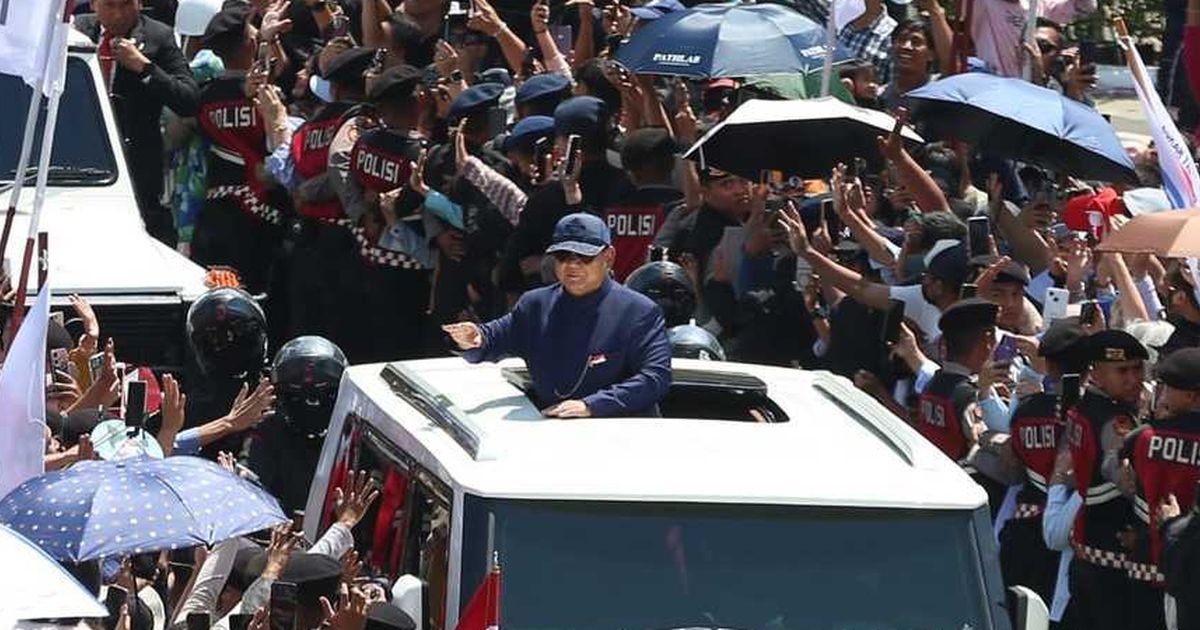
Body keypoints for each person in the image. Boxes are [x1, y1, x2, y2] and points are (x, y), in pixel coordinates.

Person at [443, 213, 671, 418]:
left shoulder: (639, 311)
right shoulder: (535, 304)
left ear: (608, 257)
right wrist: (474, 339)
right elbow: (493, 338)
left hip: (623, 432)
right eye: (563, 256)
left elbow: (655, 378)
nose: (572, 265)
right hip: (552, 430)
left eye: (585, 257)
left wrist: (591, 405)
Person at [76, 0, 201, 246]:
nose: (119, 14)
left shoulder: (159, 36)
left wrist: (144, 68)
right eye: (110, 5)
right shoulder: (76, 32)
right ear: (93, 4)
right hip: (80, 162)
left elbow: (189, 100)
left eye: (126, 5)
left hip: (137, 171)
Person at [1055, 329, 1148, 630]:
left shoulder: (1082, 407)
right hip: (1113, 558)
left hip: (1086, 550)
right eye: (1122, 371)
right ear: (1095, 373)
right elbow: (1117, 468)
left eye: (1138, 368)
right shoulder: (1115, 419)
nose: (1133, 378)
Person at [1000, 319, 1088, 604]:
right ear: (1089, 368)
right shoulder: (1088, 416)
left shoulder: (1025, 411)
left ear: (1048, 365)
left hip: (1024, 529)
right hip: (1069, 530)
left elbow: (1012, 470)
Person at [1121, 348, 1200, 628]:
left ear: (1191, 396)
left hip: (1147, 561)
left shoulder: (1142, 437)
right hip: (1190, 574)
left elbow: (1117, 472)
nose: (1161, 393)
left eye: (1167, 387)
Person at [913, 298, 1011, 511]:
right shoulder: (967, 396)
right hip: (965, 496)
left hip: (932, 488)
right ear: (987, 341)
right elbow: (983, 444)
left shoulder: (931, 385)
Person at [249, 335, 348, 514]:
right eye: (297, 395)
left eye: (321, 393)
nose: (311, 402)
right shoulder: (266, 431)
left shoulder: (352, 434)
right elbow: (253, 487)